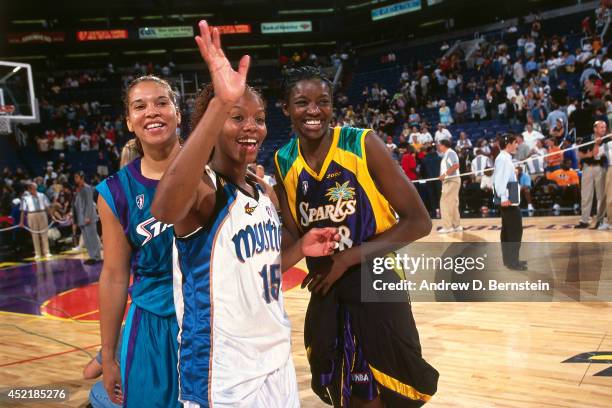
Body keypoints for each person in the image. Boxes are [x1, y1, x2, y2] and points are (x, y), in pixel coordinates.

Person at [150, 21, 339, 407]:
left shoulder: (263, 189)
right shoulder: (204, 189)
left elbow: (264, 267)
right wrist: (221, 101)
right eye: (237, 117)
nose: (252, 127)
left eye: (259, 118)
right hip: (222, 369)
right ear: (213, 123)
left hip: (274, 355)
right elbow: (166, 209)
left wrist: (301, 246)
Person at [274, 66, 438, 407]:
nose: (314, 111)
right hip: (327, 287)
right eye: (302, 102)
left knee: (384, 394)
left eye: (323, 101)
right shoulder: (283, 160)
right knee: (341, 390)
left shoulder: (362, 144)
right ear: (286, 108)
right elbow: (294, 233)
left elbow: (419, 222)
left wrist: (346, 258)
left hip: (375, 280)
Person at [96, 74, 182, 407]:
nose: (152, 111)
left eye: (162, 102)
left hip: (210, 314)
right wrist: (107, 356)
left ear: (177, 112)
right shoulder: (115, 192)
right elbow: (115, 275)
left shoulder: (214, 168)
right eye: (139, 106)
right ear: (130, 122)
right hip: (151, 325)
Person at [493, 134, 527, 271]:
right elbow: (500, 180)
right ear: (509, 144)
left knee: (507, 230)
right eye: (515, 143)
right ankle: (513, 261)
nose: (517, 145)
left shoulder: (504, 158)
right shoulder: (503, 159)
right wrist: (503, 198)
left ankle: (509, 260)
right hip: (507, 199)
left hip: (508, 197)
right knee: (515, 230)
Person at [576, 120, 607, 229]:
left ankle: (600, 220)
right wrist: (586, 155)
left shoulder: (607, 139)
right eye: (601, 127)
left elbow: (595, 154)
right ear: (595, 129)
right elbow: (580, 154)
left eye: (604, 127)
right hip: (587, 168)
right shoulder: (586, 138)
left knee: (600, 195)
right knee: (586, 195)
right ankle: (584, 220)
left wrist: (595, 146)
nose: (604, 129)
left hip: (600, 168)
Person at [73, 171, 102, 264]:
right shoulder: (78, 190)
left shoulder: (87, 188)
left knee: (92, 237)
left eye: (77, 177)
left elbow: (89, 204)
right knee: (86, 239)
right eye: (75, 178)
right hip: (81, 219)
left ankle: (97, 257)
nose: (75, 179)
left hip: (88, 218)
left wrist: (87, 217)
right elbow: (78, 205)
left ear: (82, 178)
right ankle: (92, 256)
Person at [19, 182, 52, 260]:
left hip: (42, 213)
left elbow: (47, 206)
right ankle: (37, 253)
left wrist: (52, 216)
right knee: (34, 234)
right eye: (31, 188)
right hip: (31, 215)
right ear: (29, 189)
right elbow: (23, 210)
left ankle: (47, 252)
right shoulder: (25, 198)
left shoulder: (42, 195)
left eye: (34, 188)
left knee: (44, 233)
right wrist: (21, 222)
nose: (33, 189)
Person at [437, 139, 462, 233]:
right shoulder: (448, 154)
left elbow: (455, 165)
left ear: (444, 145)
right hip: (452, 180)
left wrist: (444, 175)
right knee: (453, 203)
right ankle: (456, 225)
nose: (439, 147)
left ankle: (448, 227)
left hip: (451, 180)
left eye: (439, 145)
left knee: (445, 202)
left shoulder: (450, 153)